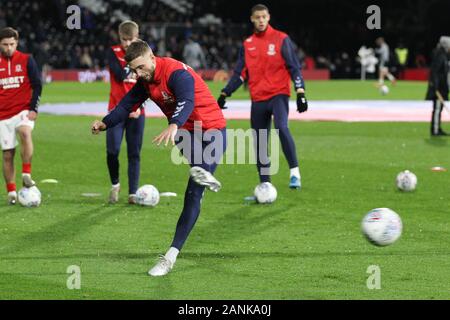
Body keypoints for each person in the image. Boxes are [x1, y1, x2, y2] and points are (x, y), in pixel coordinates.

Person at [91, 40, 227, 276]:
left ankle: (202, 171)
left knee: (193, 177)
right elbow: (125, 106)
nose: (138, 74)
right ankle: (171, 255)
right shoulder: (145, 82)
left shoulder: (176, 73)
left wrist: (174, 124)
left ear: (152, 57)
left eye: (141, 67)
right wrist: (105, 123)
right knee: (193, 192)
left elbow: (187, 101)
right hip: (186, 132)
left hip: (213, 131)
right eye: (134, 70)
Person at [217, 4, 307, 189]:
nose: (260, 20)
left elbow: (294, 67)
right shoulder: (247, 43)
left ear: (268, 17)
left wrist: (300, 92)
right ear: (252, 19)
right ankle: (265, 185)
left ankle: (294, 173)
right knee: (259, 141)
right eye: (257, 17)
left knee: (281, 127)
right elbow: (240, 73)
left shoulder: (281, 39)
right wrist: (225, 92)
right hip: (257, 98)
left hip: (278, 94)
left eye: (264, 17)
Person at [0, 27, 42, 205]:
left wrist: (34, 109)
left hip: (23, 110)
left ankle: (26, 174)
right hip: (2, 115)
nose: (8, 48)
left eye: (11, 44)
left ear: (16, 43)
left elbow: (37, 85)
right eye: (4, 44)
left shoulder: (26, 60)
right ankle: (11, 192)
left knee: (25, 132)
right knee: (8, 154)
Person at [105, 21, 145, 204]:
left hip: (137, 112)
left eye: (131, 40)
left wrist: (138, 107)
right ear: (119, 37)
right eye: (124, 40)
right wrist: (137, 60)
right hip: (116, 111)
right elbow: (120, 74)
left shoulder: (145, 54)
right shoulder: (112, 52)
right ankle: (115, 185)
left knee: (134, 153)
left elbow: (149, 84)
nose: (127, 44)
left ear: (137, 37)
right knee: (113, 151)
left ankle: (132, 193)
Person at [426, 36, 450, 136]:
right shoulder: (440, 55)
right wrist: (436, 87)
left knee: (439, 109)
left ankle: (438, 128)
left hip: (442, 88)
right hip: (439, 88)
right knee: (437, 109)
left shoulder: (443, 55)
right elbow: (435, 72)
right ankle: (435, 130)